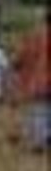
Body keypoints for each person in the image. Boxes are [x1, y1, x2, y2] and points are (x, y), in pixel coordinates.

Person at [15, 25, 51, 153]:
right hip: (42, 79)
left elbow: (22, 55)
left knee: (39, 110)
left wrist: (18, 65)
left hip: (39, 80)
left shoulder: (35, 36)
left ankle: (39, 141)